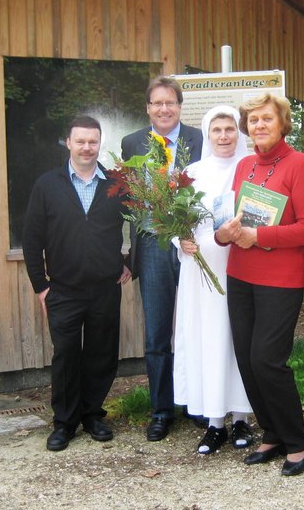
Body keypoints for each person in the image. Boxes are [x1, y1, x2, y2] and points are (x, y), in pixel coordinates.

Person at [215, 93, 304, 476]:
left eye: (266, 119)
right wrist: (224, 234)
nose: (259, 125)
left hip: (280, 279)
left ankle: (297, 441)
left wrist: (258, 236)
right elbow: (227, 221)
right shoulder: (244, 164)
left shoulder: (299, 164)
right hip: (240, 274)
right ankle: (273, 432)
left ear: (282, 123)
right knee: (246, 357)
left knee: (267, 359)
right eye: (253, 120)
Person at [22, 115, 132, 452]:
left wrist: (131, 263)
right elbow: (31, 237)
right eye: (80, 141)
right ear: (68, 143)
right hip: (64, 290)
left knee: (101, 353)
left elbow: (143, 222)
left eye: (93, 142)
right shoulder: (48, 185)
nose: (87, 147)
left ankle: (93, 415)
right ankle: (64, 423)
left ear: (100, 144)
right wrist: (41, 285)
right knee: (66, 356)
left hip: (104, 287)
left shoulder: (117, 184)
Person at [121, 76, 203, 441]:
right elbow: (126, 200)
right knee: (157, 332)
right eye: (157, 103)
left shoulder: (199, 139)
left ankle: (199, 403)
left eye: (170, 102)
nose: (164, 109)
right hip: (153, 244)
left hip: (191, 243)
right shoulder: (131, 143)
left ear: (180, 106)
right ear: (148, 108)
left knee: (196, 327)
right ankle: (161, 410)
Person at [173, 105, 254, 455]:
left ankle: (241, 418)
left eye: (230, 129)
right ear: (208, 134)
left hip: (239, 262)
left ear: (239, 133)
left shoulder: (250, 168)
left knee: (237, 338)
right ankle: (214, 422)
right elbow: (176, 219)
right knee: (208, 338)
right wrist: (181, 241)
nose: (224, 136)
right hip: (201, 265)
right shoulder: (192, 172)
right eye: (217, 130)